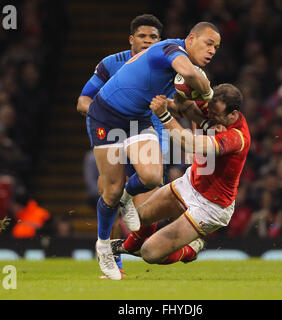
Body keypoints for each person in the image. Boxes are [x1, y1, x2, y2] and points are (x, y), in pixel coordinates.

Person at [86, 21, 221, 279]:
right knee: (110, 191)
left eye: (216, 47)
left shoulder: (179, 74)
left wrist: (203, 123)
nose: (213, 50)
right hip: (105, 116)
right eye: (209, 43)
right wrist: (206, 88)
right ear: (191, 38)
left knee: (151, 178)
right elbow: (192, 77)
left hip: (138, 120)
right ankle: (104, 246)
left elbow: (184, 106)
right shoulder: (170, 49)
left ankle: (127, 196)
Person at [114, 83, 251, 267]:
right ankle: (127, 248)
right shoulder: (211, 106)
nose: (209, 115)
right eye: (209, 110)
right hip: (190, 183)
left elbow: (190, 144)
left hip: (211, 206)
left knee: (150, 253)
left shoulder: (237, 138)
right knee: (142, 217)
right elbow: (181, 107)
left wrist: (163, 114)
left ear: (232, 115)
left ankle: (191, 249)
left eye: (216, 115)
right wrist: (164, 101)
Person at [77, 14, 163, 278]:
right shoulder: (111, 64)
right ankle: (114, 264)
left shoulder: (165, 65)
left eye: (153, 38)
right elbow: (83, 101)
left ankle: (137, 250)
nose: (148, 41)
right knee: (111, 198)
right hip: (112, 134)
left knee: (146, 211)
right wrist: (107, 116)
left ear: (160, 41)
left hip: (145, 135)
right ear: (131, 39)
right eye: (142, 36)